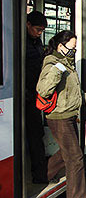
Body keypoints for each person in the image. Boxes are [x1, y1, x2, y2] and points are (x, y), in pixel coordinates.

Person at [36, 30, 86, 198]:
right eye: (71, 48)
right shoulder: (51, 63)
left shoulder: (67, 63)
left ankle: (42, 175)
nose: (74, 51)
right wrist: (57, 70)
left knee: (67, 154)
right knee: (76, 159)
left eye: (75, 48)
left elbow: (75, 91)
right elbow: (43, 90)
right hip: (59, 117)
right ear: (60, 46)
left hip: (69, 116)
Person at [25, 11, 49, 184]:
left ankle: (39, 172)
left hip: (34, 94)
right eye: (37, 29)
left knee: (37, 133)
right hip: (24, 94)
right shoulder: (19, 41)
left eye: (42, 30)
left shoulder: (37, 42)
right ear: (27, 24)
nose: (39, 33)